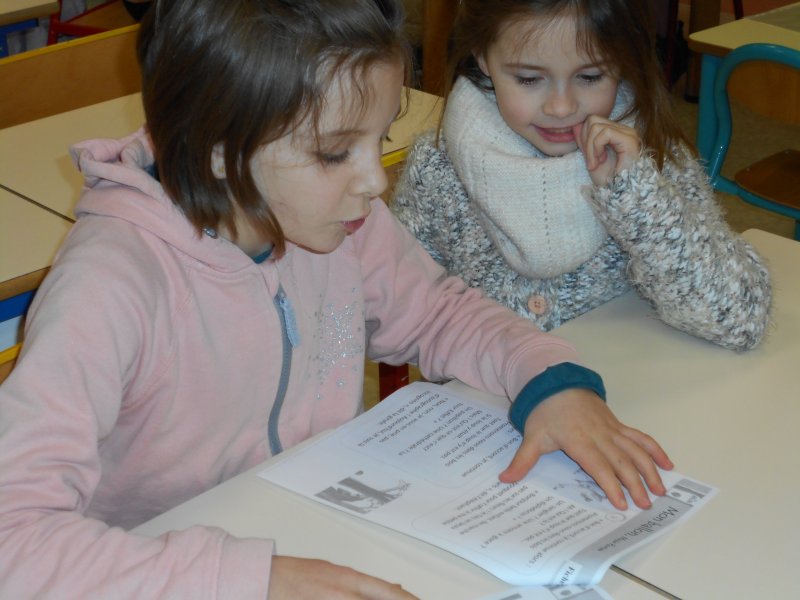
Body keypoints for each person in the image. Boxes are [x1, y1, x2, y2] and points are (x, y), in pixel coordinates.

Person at [0, 0, 672, 597]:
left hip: (313, 530)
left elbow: (437, 311)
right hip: (160, 574)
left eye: (378, 140)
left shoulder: (337, 221)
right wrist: (252, 581)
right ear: (214, 150)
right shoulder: (111, 286)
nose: (374, 182)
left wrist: (546, 378)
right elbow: (13, 542)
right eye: (333, 154)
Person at [392, 0, 771, 352]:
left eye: (590, 76)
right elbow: (397, 313)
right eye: (528, 79)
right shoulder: (438, 168)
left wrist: (638, 199)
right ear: (482, 56)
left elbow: (739, 320)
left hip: (626, 393)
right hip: (486, 395)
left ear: (622, 61)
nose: (561, 107)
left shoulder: (653, 160)